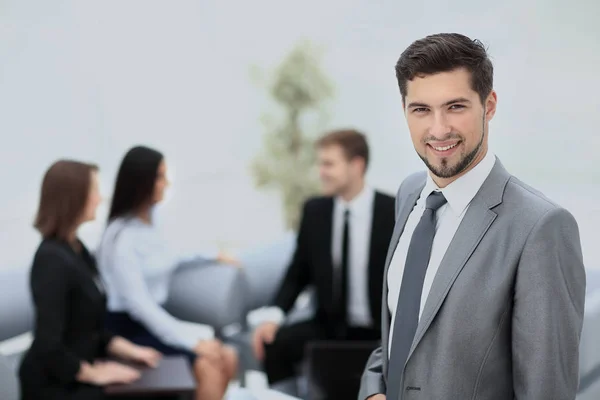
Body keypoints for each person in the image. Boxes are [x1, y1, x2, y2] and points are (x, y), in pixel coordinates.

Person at [359, 33, 587, 400]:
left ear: (489, 104)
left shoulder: (541, 227)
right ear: (404, 109)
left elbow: (546, 391)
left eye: (456, 107)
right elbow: (401, 332)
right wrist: (374, 390)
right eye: (421, 109)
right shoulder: (408, 194)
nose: (438, 129)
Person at [252, 129, 396, 386]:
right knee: (274, 343)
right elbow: (298, 273)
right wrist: (273, 316)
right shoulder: (315, 211)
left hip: (380, 329)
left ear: (357, 165)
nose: (321, 172)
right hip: (328, 326)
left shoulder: (393, 210)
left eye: (329, 164)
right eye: (320, 164)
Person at [96, 146, 239, 400]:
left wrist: (212, 255)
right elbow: (140, 306)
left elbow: (170, 255)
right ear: (142, 182)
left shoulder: (153, 220)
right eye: (160, 176)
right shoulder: (120, 238)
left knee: (228, 357)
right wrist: (192, 343)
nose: (167, 183)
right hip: (130, 329)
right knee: (208, 366)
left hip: (156, 321)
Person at [19, 160, 162, 400]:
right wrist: (94, 374)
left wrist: (131, 350)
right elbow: (48, 345)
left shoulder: (77, 250)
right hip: (56, 384)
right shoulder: (51, 260)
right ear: (74, 197)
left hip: (80, 369)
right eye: (94, 190)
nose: (100, 198)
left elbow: (88, 328)